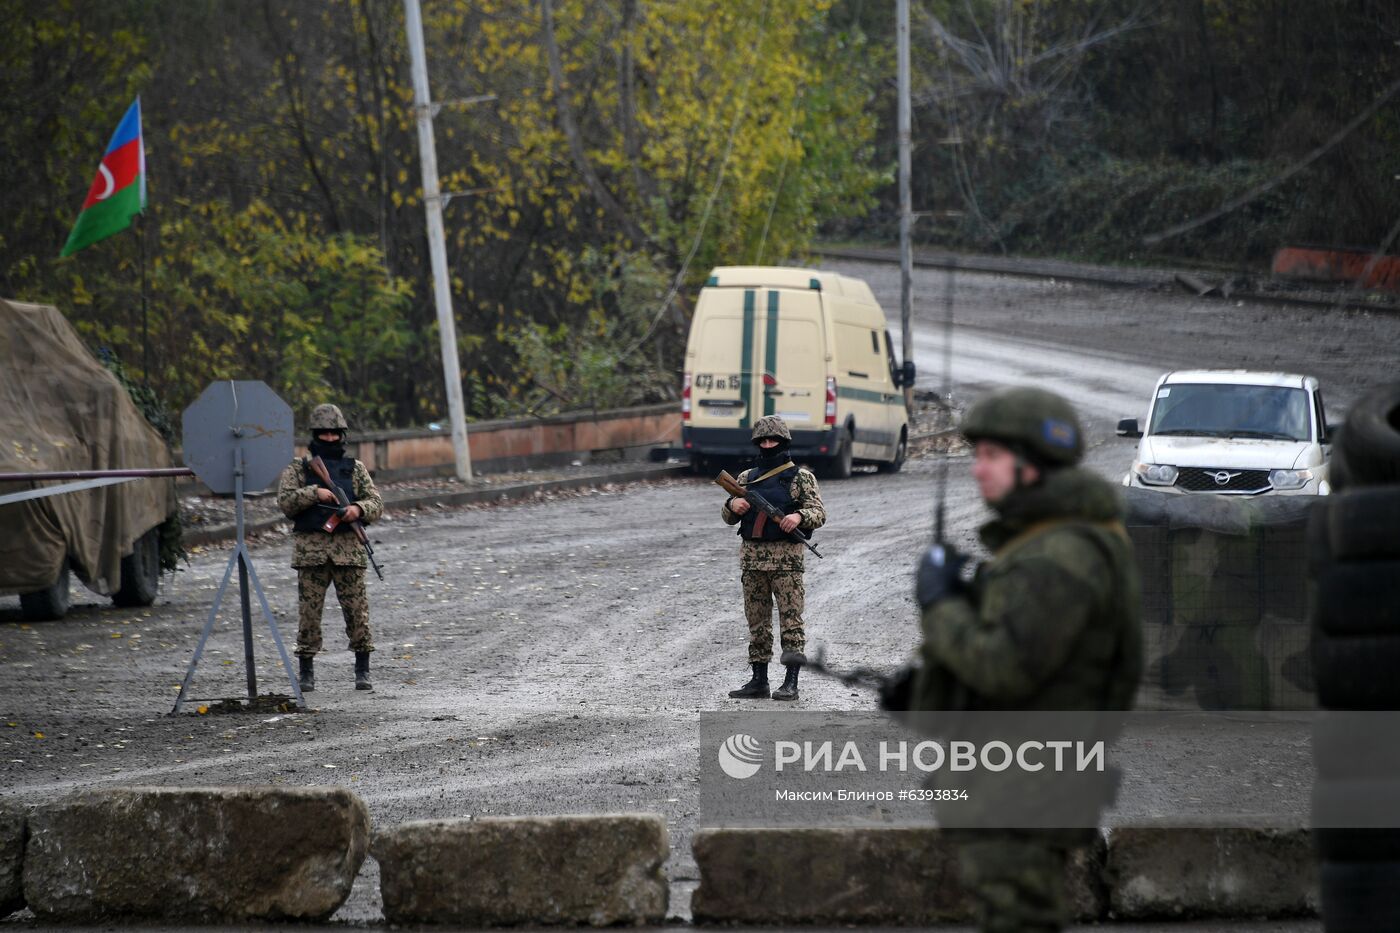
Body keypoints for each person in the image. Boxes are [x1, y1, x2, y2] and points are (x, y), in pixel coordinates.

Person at [886, 387, 1142, 933]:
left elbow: (1004, 667)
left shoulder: (1059, 556)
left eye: (991, 456)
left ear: (1032, 464)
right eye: (976, 455)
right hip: (1019, 777)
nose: (977, 471)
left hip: (1026, 786)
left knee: (1020, 917)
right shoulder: (1048, 543)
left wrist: (940, 605)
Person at [276, 403, 384, 693]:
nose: (329, 438)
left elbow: (376, 503)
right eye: (323, 434)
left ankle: (362, 670)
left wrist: (357, 510)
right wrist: (315, 493)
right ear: (314, 435)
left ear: (342, 435)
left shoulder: (356, 468)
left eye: (334, 433)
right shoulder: (298, 469)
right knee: (308, 617)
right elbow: (285, 503)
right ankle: (306, 673)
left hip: (349, 553)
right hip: (311, 554)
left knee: (357, 615)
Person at [721, 415, 826, 701]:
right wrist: (733, 504)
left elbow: (819, 513)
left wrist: (798, 516)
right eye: (763, 441)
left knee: (791, 621)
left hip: (786, 562)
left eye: (773, 440)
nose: (768, 445)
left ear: (784, 442)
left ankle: (791, 681)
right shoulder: (746, 478)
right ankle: (759, 680)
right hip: (752, 561)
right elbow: (728, 517)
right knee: (757, 622)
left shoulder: (802, 477)